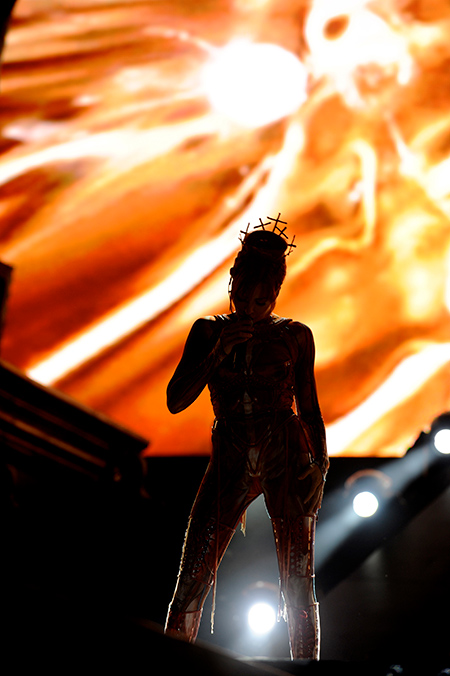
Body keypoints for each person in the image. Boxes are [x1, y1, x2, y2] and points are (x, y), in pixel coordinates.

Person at [164, 217, 329, 659]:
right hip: (232, 452)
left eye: (262, 299)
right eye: (242, 295)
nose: (251, 307)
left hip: (285, 450)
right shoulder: (208, 331)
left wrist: (320, 467)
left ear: (274, 295)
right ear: (232, 282)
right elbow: (176, 400)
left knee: (298, 575)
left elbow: (310, 408)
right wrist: (218, 352)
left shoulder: (295, 336)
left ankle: (306, 671)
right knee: (193, 570)